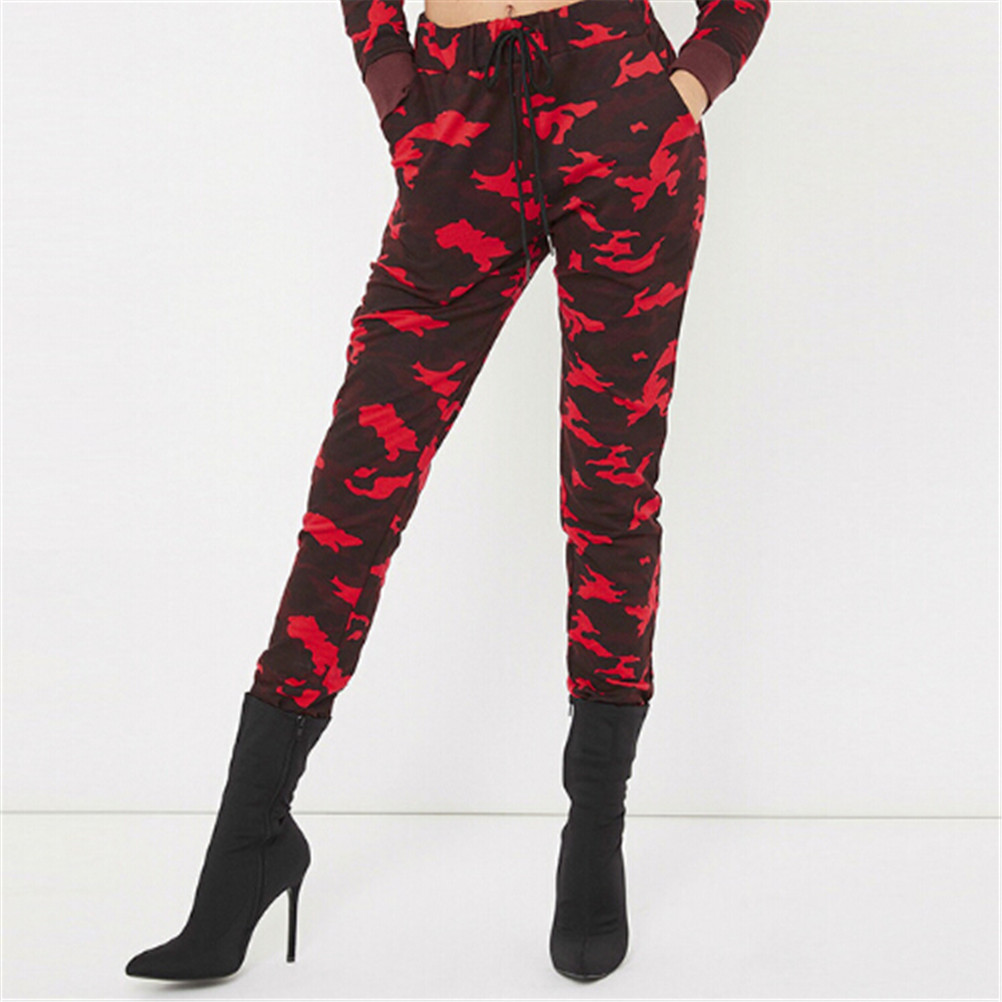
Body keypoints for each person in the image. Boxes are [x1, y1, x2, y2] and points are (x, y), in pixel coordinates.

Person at [125, 0, 770, 984]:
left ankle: (594, 835)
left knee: (610, 490)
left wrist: (689, 83)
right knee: (352, 497)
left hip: (619, 111)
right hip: (458, 120)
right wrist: (402, 103)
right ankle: (249, 841)